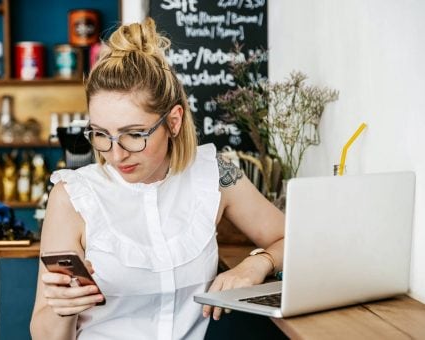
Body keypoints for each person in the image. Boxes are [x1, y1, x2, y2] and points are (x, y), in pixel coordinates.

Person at [30, 17, 284, 340]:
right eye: (100, 134)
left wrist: (257, 264)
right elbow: (43, 335)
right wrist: (62, 308)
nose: (116, 153)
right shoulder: (72, 197)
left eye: (134, 134)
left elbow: (293, 241)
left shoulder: (214, 175)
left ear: (174, 122)